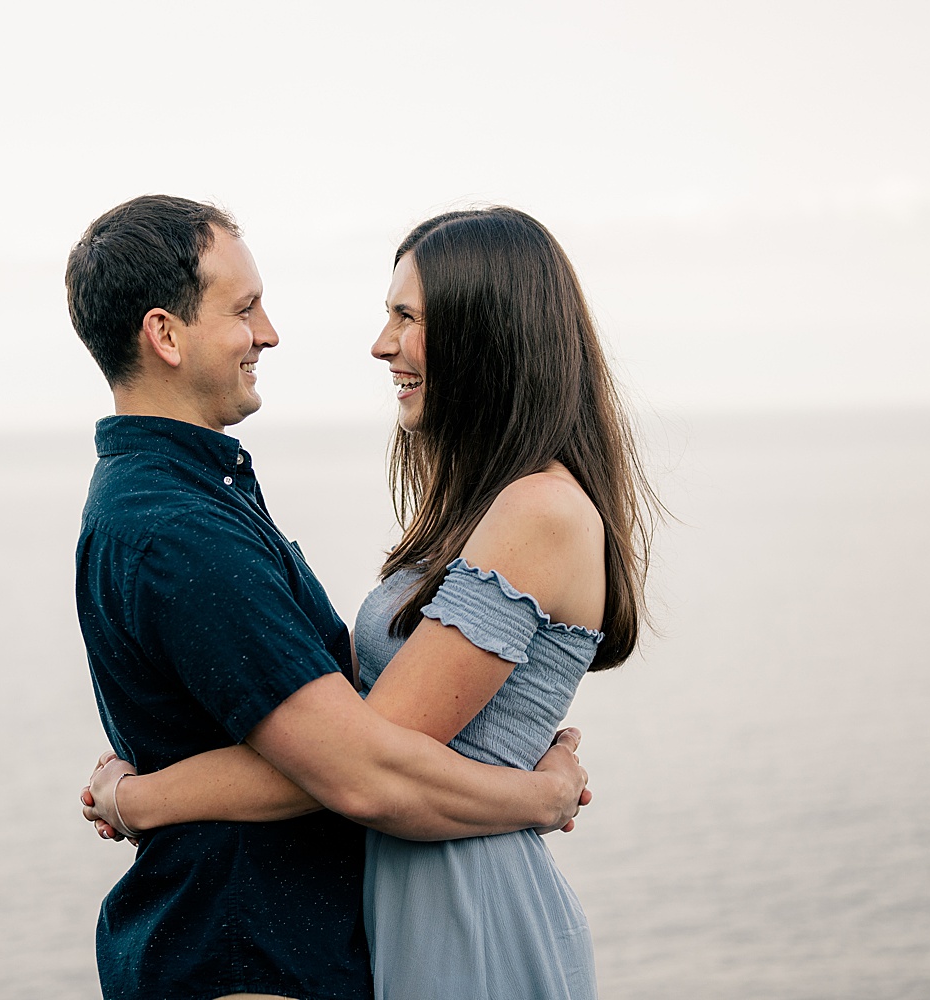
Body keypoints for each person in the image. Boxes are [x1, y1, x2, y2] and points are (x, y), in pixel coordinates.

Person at [83, 206, 657, 1000]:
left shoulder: (539, 512)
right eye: (245, 309)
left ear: (485, 331)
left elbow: (362, 764)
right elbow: (355, 751)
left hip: (469, 902)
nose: (382, 342)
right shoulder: (481, 510)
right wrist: (538, 792)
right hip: (408, 897)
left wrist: (139, 795)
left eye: (406, 317)